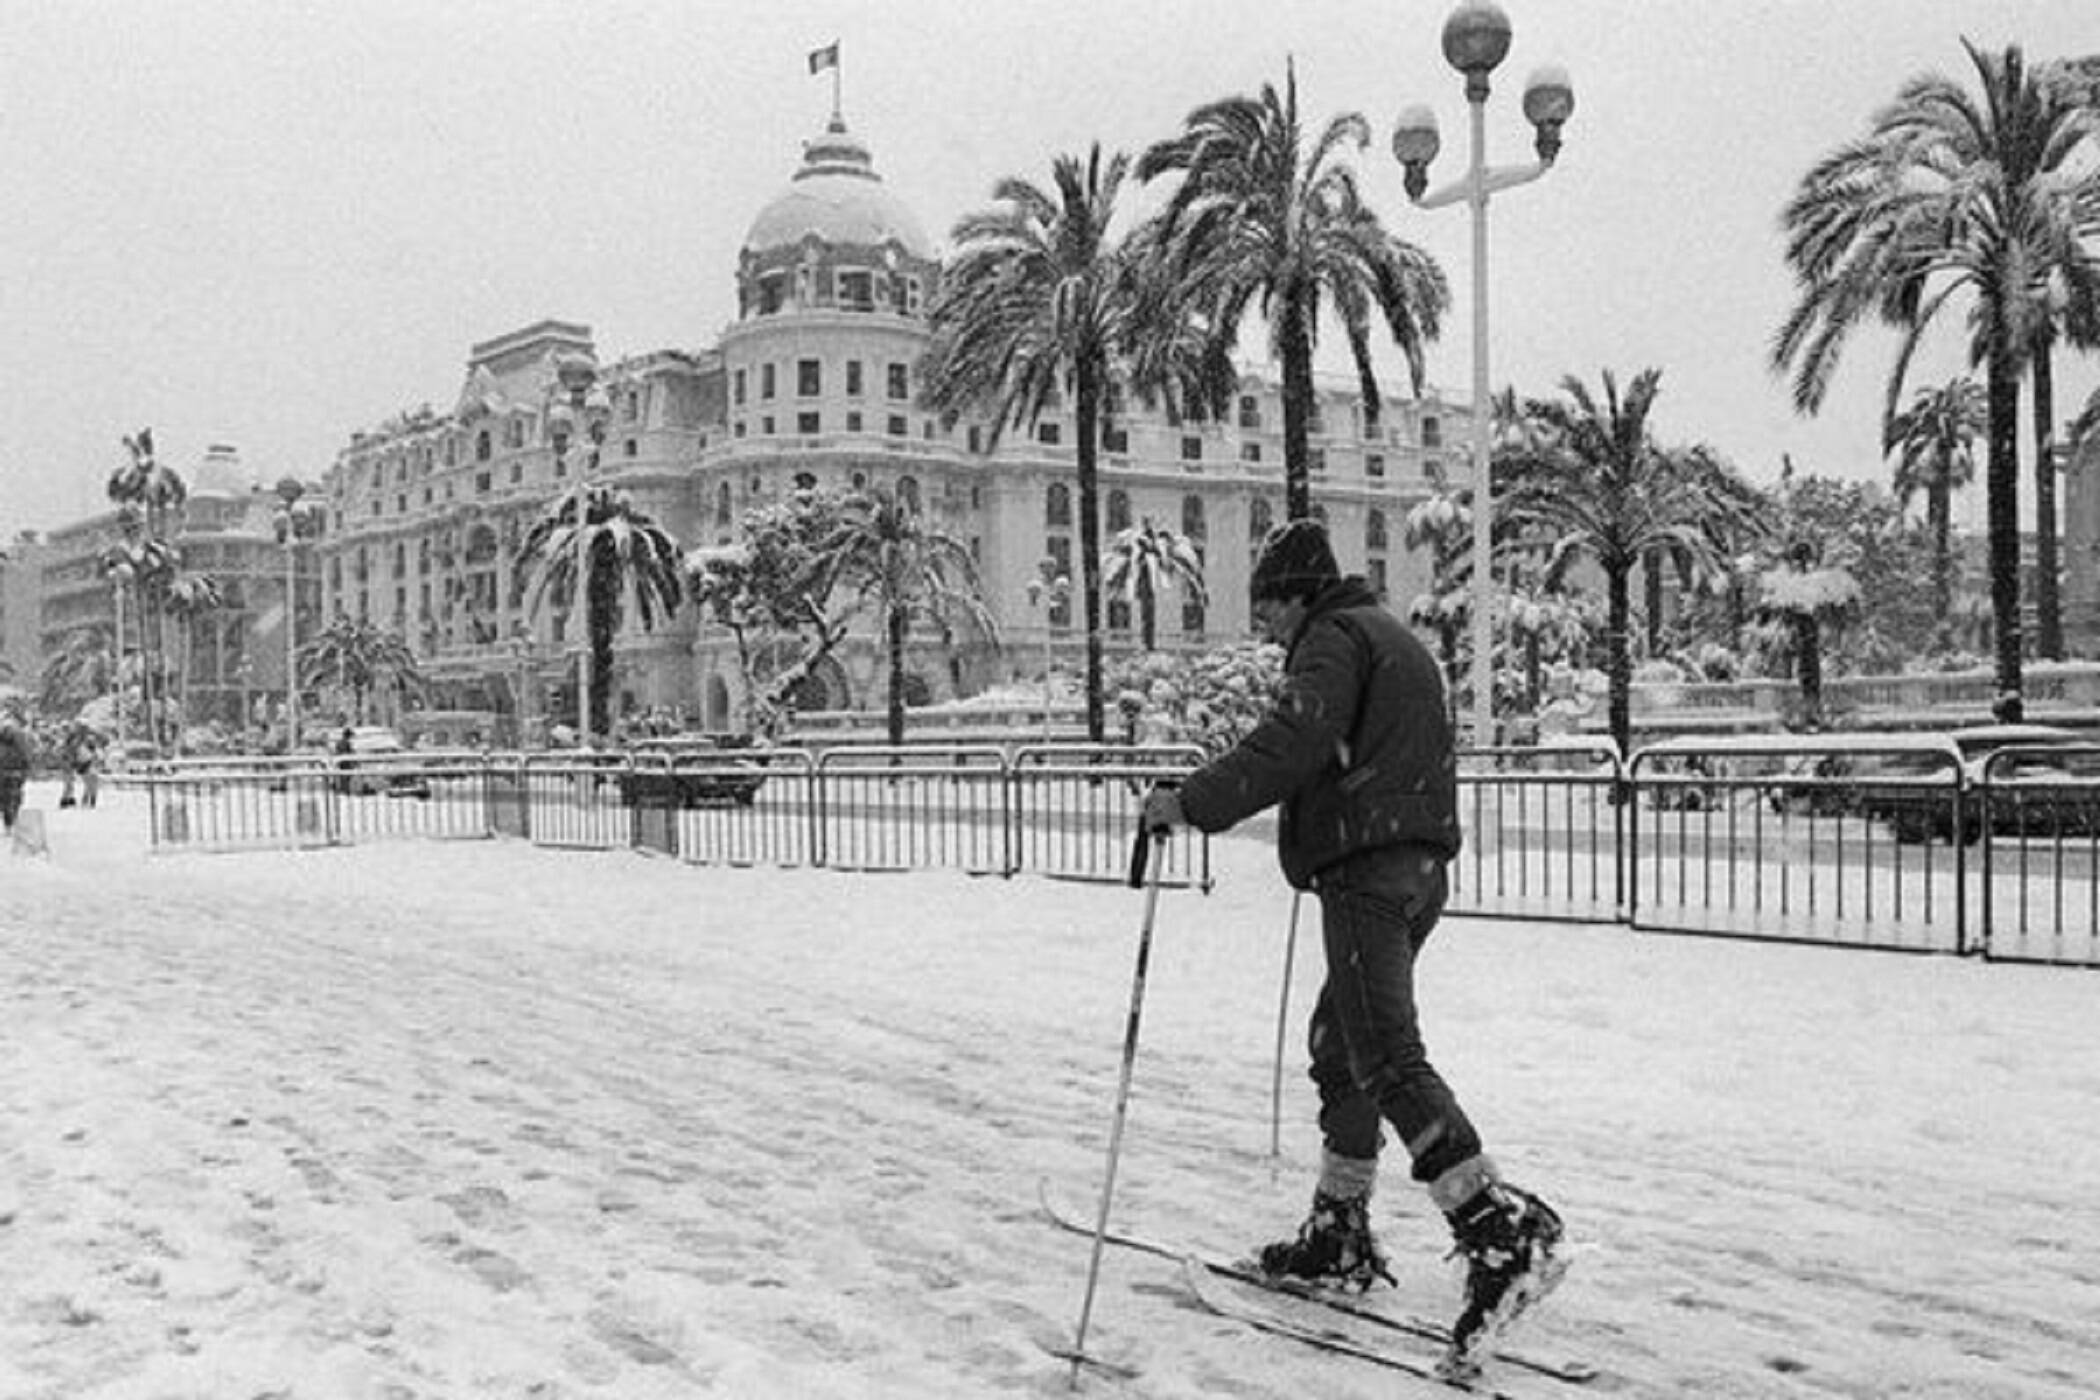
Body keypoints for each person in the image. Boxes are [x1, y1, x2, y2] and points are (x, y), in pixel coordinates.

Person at [1140, 519, 1565, 1377]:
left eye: (1267, 614)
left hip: (1370, 867)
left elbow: (1290, 741)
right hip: (1412, 864)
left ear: (1296, 596)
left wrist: (1190, 801)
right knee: (1344, 1046)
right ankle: (1339, 1231)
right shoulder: (1391, 638)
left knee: (1385, 1055)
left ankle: (1494, 1229)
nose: (1267, 633)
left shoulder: (1333, 638)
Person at [0, 717, 31, 837]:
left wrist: (24, 774)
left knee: (13, 799)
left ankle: (12, 821)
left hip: (14, 775)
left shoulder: (20, 745)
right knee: (6, 800)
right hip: (3, 775)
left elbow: (26, 761)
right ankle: (9, 822)